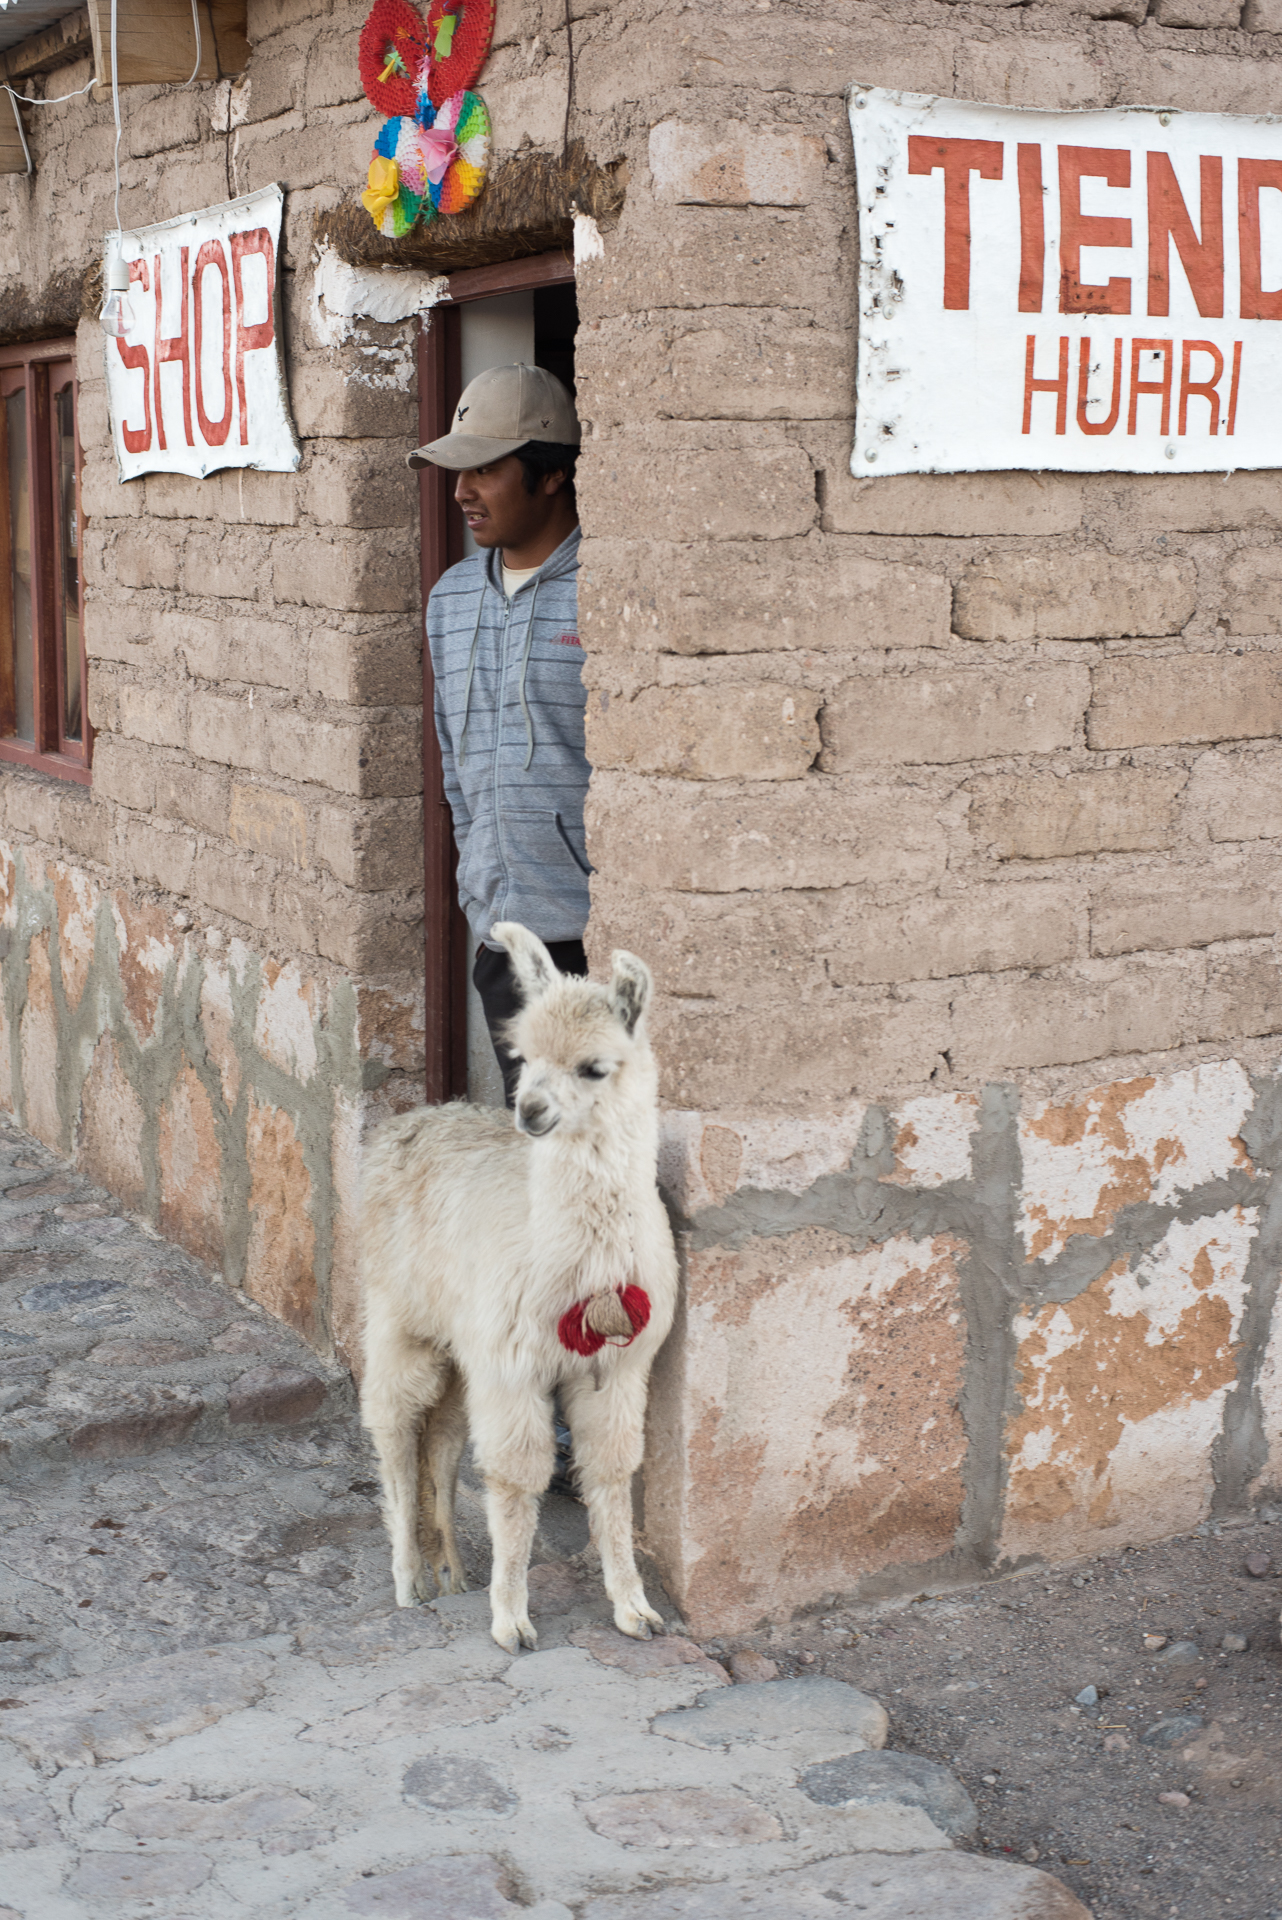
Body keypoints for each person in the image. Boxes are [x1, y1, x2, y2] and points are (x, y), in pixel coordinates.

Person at [408, 362, 589, 1107]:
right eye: (458, 470)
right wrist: (480, 895)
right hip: (503, 939)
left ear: (550, 476)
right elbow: (457, 765)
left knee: (614, 1153)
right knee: (547, 1145)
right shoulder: (450, 598)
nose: (462, 492)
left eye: (485, 468)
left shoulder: (605, 587)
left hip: (589, 938)